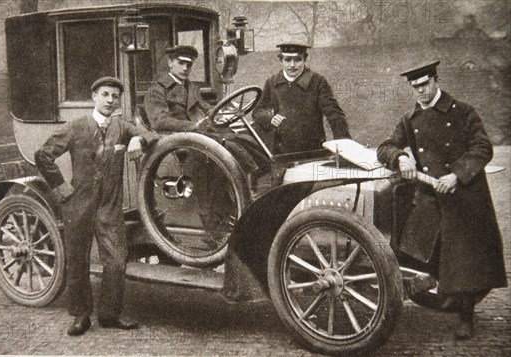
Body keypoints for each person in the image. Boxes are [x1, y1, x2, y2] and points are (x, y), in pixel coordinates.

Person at [377, 61, 507, 340]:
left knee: (465, 260)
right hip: (430, 195)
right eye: (415, 87)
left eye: (425, 84)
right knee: (418, 247)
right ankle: (446, 296)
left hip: (464, 196)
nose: (421, 92)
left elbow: (483, 147)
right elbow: (384, 147)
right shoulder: (410, 119)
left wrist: (456, 175)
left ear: (436, 81)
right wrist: (399, 157)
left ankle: (465, 316)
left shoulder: (462, 111)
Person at [35, 76, 160, 336]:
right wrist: (61, 187)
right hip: (78, 206)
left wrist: (139, 140)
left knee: (116, 261)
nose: (110, 100)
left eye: (115, 96)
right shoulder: (76, 126)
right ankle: (81, 316)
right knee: (78, 262)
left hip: (109, 208)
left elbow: (151, 134)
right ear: (94, 97)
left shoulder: (122, 127)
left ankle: (109, 315)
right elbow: (43, 155)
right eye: (105, 95)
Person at [144, 45, 270, 191]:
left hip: (198, 135)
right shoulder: (157, 90)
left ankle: (259, 182)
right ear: (170, 63)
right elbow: (159, 121)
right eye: (181, 63)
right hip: (178, 139)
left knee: (244, 139)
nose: (185, 68)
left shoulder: (190, 86)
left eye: (189, 64)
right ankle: (244, 189)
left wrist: (222, 112)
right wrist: (193, 126)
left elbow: (205, 107)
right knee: (231, 146)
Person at [252, 43, 351, 154]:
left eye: (297, 60)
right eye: (288, 60)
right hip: (281, 152)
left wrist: (345, 148)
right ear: (281, 60)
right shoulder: (272, 82)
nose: (292, 65)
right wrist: (270, 118)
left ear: (305, 59)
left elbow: (335, 115)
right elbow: (257, 111)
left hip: (313, 151)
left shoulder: (318, 82)